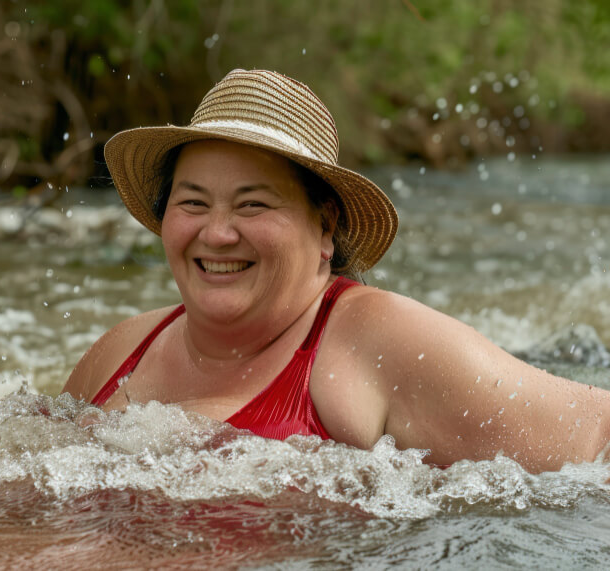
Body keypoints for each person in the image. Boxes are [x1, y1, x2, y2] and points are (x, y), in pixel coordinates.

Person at [62, 68, 610, 474]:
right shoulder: (119, 351)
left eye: (253, 204)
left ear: (325, 228)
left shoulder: (376, 341)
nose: (218, 232)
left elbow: (596, 432)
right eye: (193, 203)